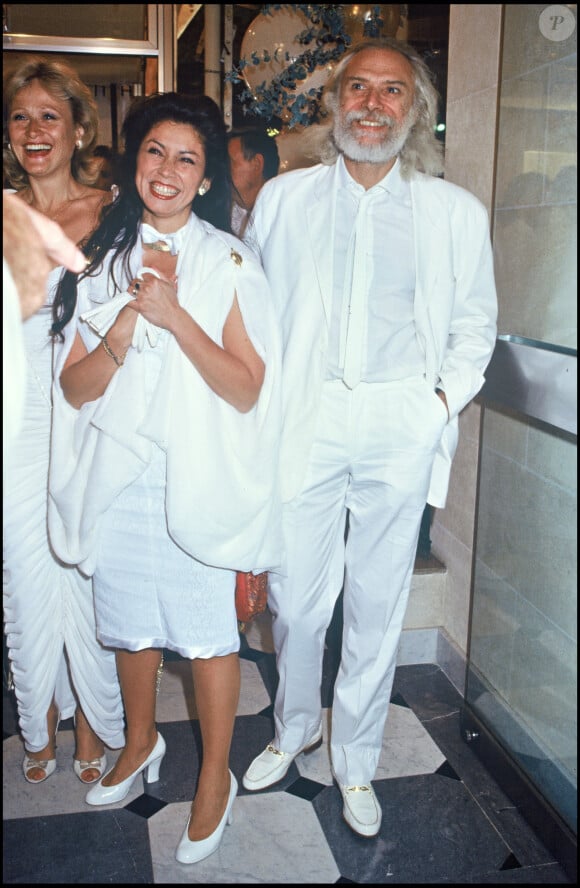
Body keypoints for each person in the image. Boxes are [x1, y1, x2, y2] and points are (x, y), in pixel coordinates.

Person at [242, 37, 498, 839]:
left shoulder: (454, 212)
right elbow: (249, 316)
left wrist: (432, 408)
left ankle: (354, 758)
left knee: (379, 601)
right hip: (305, 419)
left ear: (414, 110)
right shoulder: (284, 198)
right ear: (335, 100)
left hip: (398, 420)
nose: (373, 104)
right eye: (359, 87)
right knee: (297, 599)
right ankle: (295, 728)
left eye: (392, 92)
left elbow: (475, 326)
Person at [47, 92, 281, 864]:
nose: (167, 170)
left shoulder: (230, 260)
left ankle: (215, 774)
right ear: (134, 160)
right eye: (155, 152)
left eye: (186, 157)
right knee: (133, 628)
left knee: (208, 640)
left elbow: (248, 387)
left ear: (207, 174)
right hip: (121, 478)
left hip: (199, 475)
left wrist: (177, 317)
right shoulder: (104, 261)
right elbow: (75, 391)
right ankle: (139, 741)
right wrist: (120, 324)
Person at [3, 57, 125, 787]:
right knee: (24, 570)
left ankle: (91, 716)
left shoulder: (113, 210)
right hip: (15, 415)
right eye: (20, 117)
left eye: (50, 115)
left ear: (80, 127)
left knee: (83, 565)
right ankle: (38, 718)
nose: (34, 130)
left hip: (85, 407)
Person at [3, 193, 87, 473]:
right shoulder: (7, 208)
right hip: (13, 384)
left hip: (74, 395)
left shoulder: (111, 209)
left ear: (78, 144)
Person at [227, 126, 280, 237]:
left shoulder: (282, 218)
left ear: (256, 164)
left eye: (230, 162)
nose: (224, 169)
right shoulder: (218, 213)